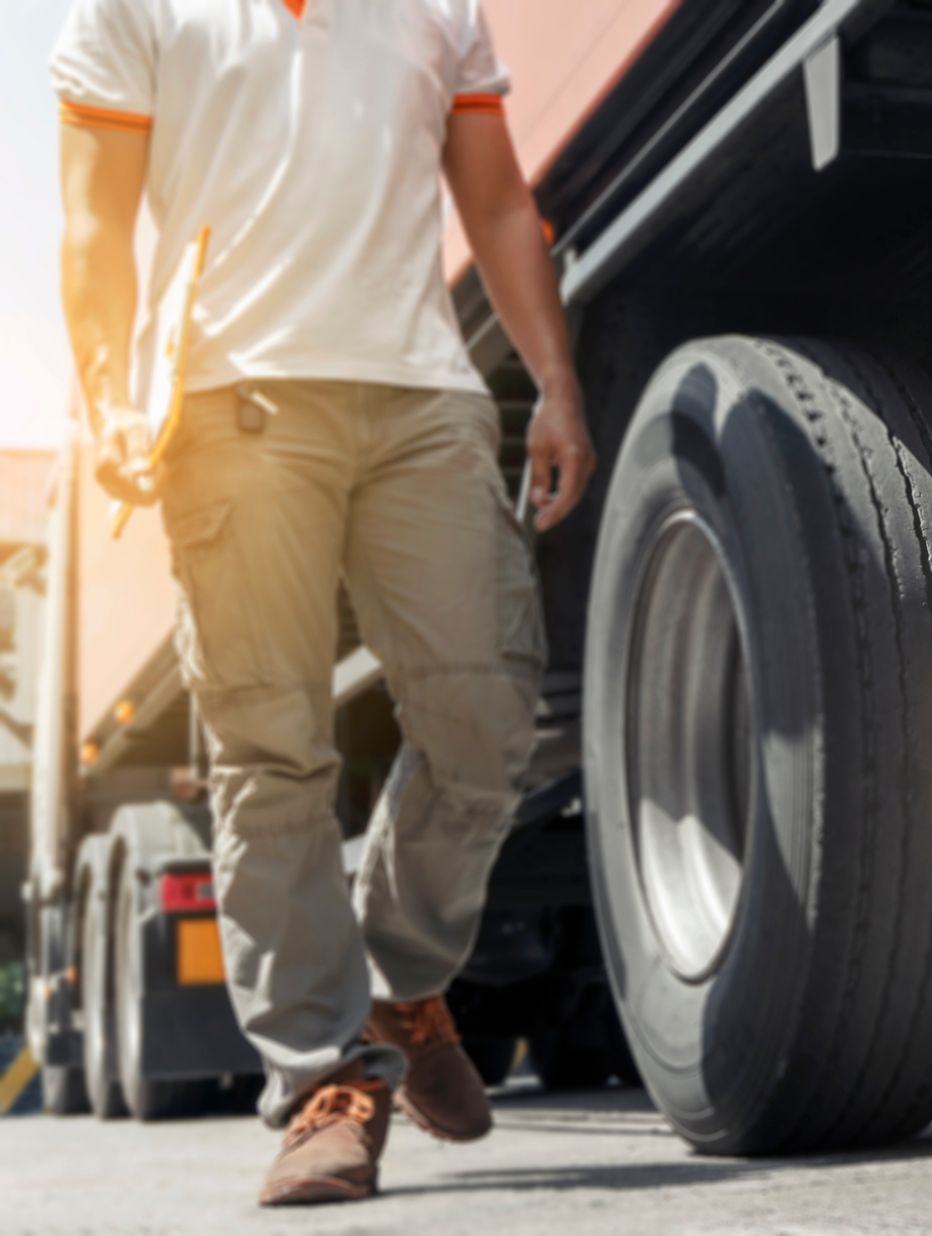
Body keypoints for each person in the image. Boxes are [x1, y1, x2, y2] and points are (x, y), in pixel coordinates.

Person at [52, 0, 595, 1207]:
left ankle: (400, 978)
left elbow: (499, 204)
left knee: (489, 719)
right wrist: (108, 400)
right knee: (271, 752)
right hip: (228, 405)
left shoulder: (441, 8)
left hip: (421, 402)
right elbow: (94, 223)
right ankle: (322, 1080)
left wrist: (554, 381)